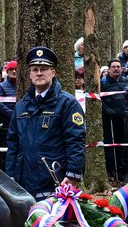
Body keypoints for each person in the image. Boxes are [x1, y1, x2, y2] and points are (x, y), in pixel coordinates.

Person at [6, 46, 85, 200]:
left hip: (54, 178)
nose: (39, 73)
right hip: (23, 179)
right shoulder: (21, 105)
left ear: (53, 73)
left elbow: (75, 140)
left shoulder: (67, 103)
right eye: (35, 69)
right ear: (29, 74)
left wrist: (72, 174)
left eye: (44, 69)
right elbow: (13, 144)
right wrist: (9, 176)